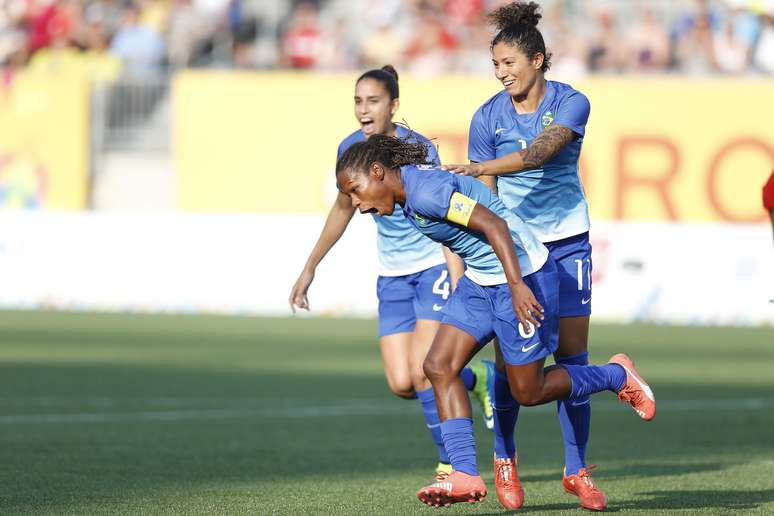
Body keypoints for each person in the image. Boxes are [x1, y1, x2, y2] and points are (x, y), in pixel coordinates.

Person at [334, 134, 655, 508]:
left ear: (377, 171)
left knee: (528, 391)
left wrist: (518, 287)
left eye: (356, 191)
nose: (356, 204)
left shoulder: (423, 192)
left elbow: (494, 225)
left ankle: (615, 375)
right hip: (482, 281)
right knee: (438, 366)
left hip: (523, 277)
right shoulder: (408, 194)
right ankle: (465, 473)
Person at [288, 66, 494, 480]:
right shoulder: (351, 149)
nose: (364, 110)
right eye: (358, 101)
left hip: (431, 266)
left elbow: (444, 215)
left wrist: (456, 275)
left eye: (374, 101)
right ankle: (478, 378)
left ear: (394, 105)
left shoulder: (415, 149)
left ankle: (451, 463)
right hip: (392, 274)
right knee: (401, 382)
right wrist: (310, 267)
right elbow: (343, 209)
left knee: (423, 373)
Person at [443, 1, 603, 510]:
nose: (502, 73)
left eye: (509, 63)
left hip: (568, 244)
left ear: (537, 59)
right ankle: (505, 458)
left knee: (572, 359)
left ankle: (577, 469)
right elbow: (487, 197)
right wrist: (483, 254)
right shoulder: (486, 117)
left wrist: (479, 165)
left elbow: (539, 153)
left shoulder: (572, 102)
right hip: (518, 255)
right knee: (511, 365)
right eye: (495, 65)